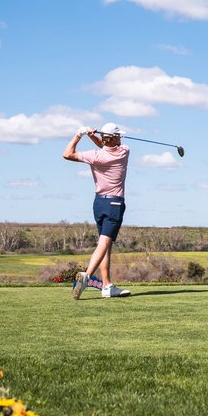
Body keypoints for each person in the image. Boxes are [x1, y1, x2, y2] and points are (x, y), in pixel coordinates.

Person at [63, 123, 132, 300]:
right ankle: (87, 276)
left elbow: (67, 154)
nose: (120, 138)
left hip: (99, 203)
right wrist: (92, 136)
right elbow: (105, 144)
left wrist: (80, 135)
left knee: (105, 244)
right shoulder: (124, 151)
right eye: (118, 135)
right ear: (114, 138)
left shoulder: (95, 156)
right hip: (114, 204)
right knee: (103, 243)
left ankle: (107, 286)